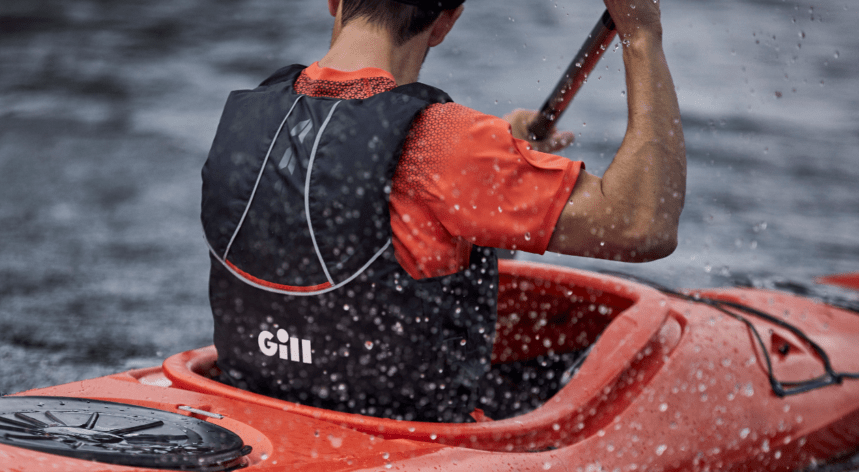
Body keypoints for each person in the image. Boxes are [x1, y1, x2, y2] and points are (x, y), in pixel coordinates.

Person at [200, 0, 684, 423]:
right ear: (445, 23)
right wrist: (641, 36)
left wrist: (504, 162)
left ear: (334, 0)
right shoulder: (446, 145)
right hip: (401, 432)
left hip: (254, 401)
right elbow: (643, 225)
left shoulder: (249, 113)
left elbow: (340, 208)